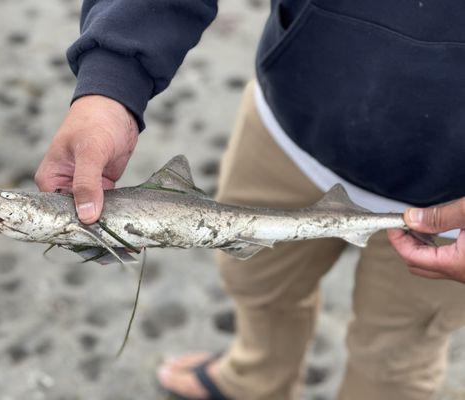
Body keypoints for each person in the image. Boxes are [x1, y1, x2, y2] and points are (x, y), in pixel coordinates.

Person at [35, 1, 465, 399]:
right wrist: (112, 80)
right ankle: (254, 378)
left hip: (451, 201)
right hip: (289, 125)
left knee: (396, 352)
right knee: (255, 283)